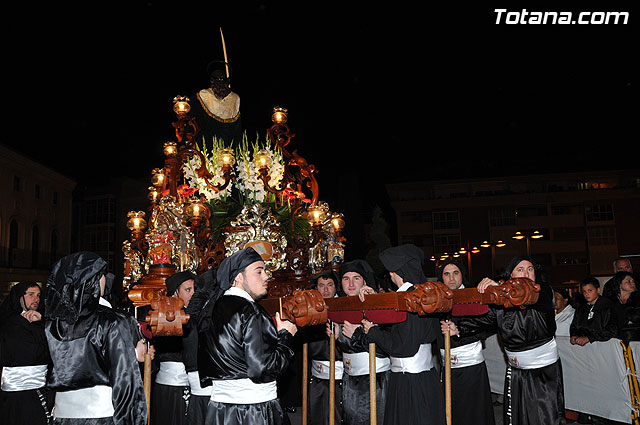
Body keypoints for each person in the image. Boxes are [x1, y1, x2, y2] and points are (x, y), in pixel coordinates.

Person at [441, 255, 565, 425]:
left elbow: (527, 294)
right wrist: (459, 329)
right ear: (511, 275)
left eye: (530, 269)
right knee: (517, 416)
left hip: (543, 371)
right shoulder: (501, 301)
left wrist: (499, 287)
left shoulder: (542, 292)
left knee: (545, 417)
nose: (526, 274)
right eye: (520, 269)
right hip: (516, 371)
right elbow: (484, 320)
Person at [45, 251, 148, 425]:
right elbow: (125, 381)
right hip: (101, 417)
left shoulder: (53, 323)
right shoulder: (113, 321)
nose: (104, 280)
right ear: (91, 280)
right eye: (101, 275)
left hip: (62, 417)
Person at [197, 247, 297, 425]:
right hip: (253, 411)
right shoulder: (250, 311)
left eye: (265, 271)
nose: (266, 276)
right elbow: (262, 370)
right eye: (259, 271)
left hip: (220, 410)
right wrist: (285, 336)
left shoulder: (211, 308)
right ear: (238, 277)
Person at [360, 245, 446, 425]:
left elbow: (403, 346)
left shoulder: (409, 299)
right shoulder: (421, 294)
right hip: (419, 378)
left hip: (410, 381)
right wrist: (375, 298)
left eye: (391, 271)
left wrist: (373, 332)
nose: (390, 275)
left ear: (395, 272)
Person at [436, 258, 495, 425]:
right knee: (452, 413)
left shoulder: (473, 296)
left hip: (471, 367)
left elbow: (487, 325)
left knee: (474, 413)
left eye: (456, 273)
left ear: (462, 275)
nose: (451, 278)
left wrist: (459, 330)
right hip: (448, 367)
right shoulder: (437, 299)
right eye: (446, 274)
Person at [333, 259, 390, 425]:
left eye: (356, 278)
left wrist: (357, 334)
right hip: (350, 381)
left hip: (375, 381)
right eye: (346, 278)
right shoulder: (338, 307)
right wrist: (337, 338)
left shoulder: (376, 303)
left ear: (364, 281)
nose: (350, 283)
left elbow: (385, 348)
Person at [0, 282, 51, 425]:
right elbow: (34, 354)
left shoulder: (37, 320)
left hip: (37, 388)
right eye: (31, 294)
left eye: (38, 295)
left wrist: (40, 323)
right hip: (20, 393)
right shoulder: (10, 323)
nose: (36, 299)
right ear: (19, 297)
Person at [151, 271, 196, 425]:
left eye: (194, 290)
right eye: (188, 290)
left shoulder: (194, 314)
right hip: (171, 388)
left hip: (189, 386)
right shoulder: (165, 316)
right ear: (175, 292)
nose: (193, 294)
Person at [305, 270, 344, 425]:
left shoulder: (344, 306)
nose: (326, 289)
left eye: (330, 285)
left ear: (336, 287)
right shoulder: (310, 310)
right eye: (322, 285)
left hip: (340, 374)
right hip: (317, 376)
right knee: (317, 416)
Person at [190, 60, 243, 148]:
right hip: (206, 143)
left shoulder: (234, 98)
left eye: (223, 80)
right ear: (212, 81)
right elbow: (191, 116)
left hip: (228, 145)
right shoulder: (203, 95)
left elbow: (237, 127)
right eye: (217, 79)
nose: (220, 83)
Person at [569, 277, 618, 345]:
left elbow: (611, 330)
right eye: (584, 291)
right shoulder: (581, 308)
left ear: (598, 290)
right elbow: (574, 325)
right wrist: (574, 335)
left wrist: (589, 338)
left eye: (590, 290)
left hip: (604, 347)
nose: (586, 294)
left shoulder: (608, 307)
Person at [603, 271, 640, 342]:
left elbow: (636, 317)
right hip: (616, 338)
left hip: (636, 338)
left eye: (633, 281)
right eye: (628, 281)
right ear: (619, 284)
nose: (633, 283)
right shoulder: (611, 301)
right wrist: (627, 320)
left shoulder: (637, 298)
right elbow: (609, 321)